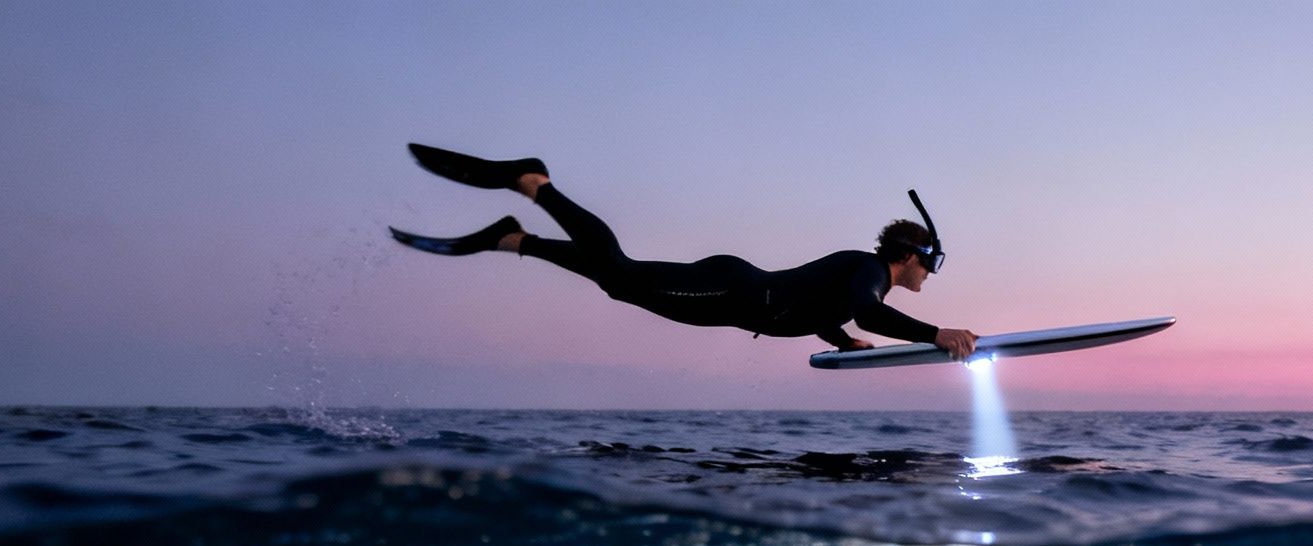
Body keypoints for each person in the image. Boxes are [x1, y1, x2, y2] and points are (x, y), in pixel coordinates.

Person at [391, 144, 978, 360]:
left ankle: (513, 238)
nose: (932, 273)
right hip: (730, 290)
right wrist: (936, 334)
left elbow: (829, 310)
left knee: (616, 282)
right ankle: (536, 183)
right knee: (620, 273)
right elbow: (869, 309)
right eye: (934, 262)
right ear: (911, 254)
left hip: (730, 294)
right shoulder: (872, 274)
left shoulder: (859, 279)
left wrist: (842, 340)